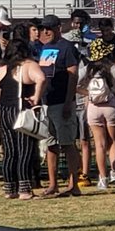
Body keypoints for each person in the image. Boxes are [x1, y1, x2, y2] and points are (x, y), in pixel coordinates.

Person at [0, 40, 47, 199]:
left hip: (5, 112)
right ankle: (25, 189)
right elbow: (41, 78)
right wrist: (36, 96)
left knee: (10, 152)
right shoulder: (28, 65)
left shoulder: (2, 69)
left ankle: (9, 188)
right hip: (21, 112)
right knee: (25, 151)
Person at [34, 14, 83, 197]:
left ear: (58, 28)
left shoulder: (67, 48)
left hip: (62, 102)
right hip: (48, 101)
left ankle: (74, 184)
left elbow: (73, 75)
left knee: (68, 143)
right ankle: (53, 184)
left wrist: (69, 101)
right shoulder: (45, 48)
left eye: (49, 28)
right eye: (44, 28)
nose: (46, 31)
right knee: (51, 145)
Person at [78, 38, 115, 190]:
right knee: (113, 141)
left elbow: (75, 84)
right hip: (111, 107)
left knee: (99, 144)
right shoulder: (113, 68)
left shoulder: (87, 69)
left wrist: (87, 93)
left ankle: (102, 178)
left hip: (94, 107)